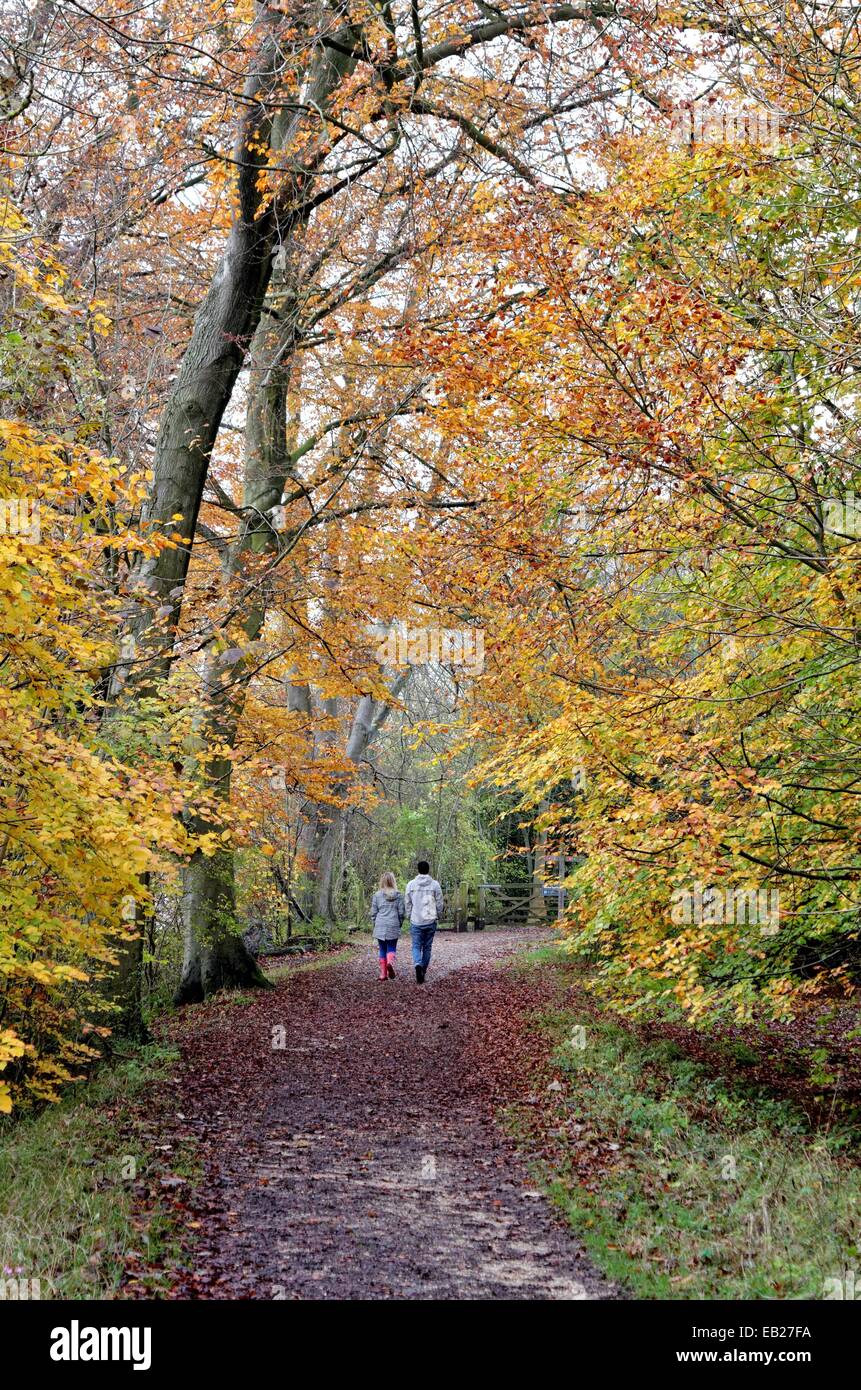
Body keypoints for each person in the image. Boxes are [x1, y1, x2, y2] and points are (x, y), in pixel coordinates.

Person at [404, 860, 443, 983]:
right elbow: (440, 902)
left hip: (416, 920)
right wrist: (438, 914)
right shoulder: (435, 885)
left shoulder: (411, 885)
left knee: (416, 945)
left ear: (418, 870)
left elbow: (407, 902)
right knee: (427, 947)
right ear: (428, 870)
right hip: (430, 920)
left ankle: (417, 964)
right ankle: (423, 970)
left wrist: (409, 915)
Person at [370, 872, 405, 980]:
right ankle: (390, 962)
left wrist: (375, 923)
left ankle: (383, 974)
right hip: (393, 924)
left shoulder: (377, 895)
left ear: (382, 881)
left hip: (380, 924)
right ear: (393, 881)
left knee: (382, 949)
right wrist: (399, 923)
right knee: (391, 947)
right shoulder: (398, 895)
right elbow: (401, 913)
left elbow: (374, 913)